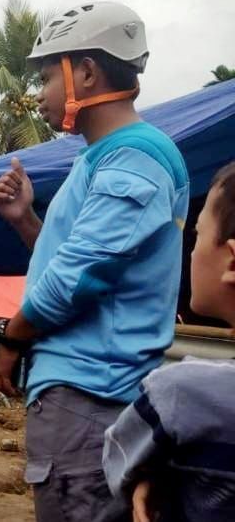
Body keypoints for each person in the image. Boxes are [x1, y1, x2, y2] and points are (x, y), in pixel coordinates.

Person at [0, 1, 190, 522]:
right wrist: (24, 220)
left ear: (85, 71)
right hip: (84, 390)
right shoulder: (98, 158)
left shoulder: (134, 158)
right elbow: (77, 262)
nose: (39, 94)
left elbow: (77, 279)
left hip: (89, 393)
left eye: (45, 76)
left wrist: (12, 339)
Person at [102, 162, 235, 522]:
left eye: (198, 235)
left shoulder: (181, 392)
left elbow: (118, 463)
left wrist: (152, 478)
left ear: (232, 262)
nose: (191, 251)